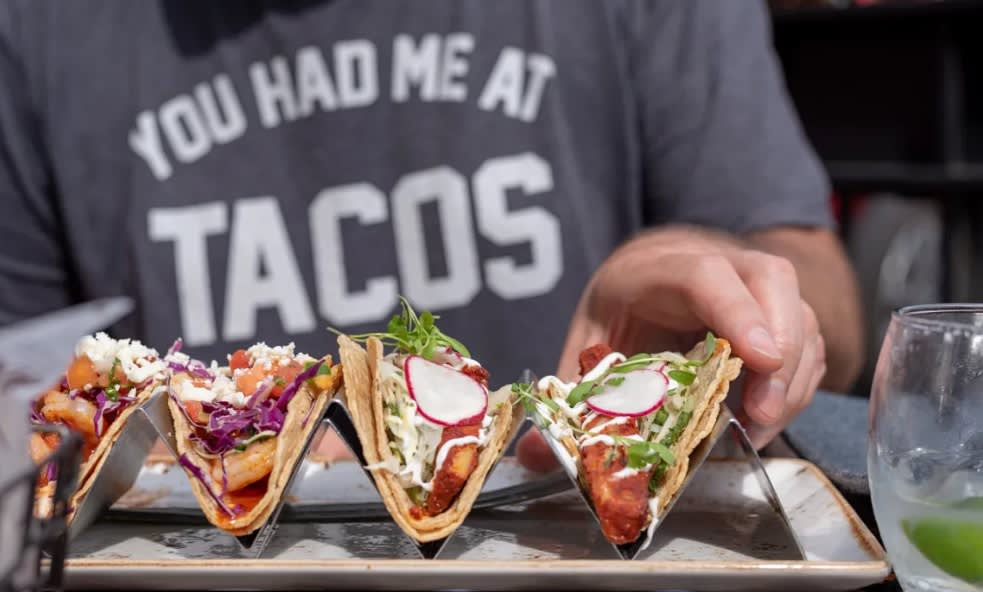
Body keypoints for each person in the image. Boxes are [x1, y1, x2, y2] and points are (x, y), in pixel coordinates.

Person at [0, 1, 862, 470]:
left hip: (580, 579)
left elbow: (821, 287)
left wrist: (733, 309)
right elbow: (15, 394)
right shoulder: (39, 33)